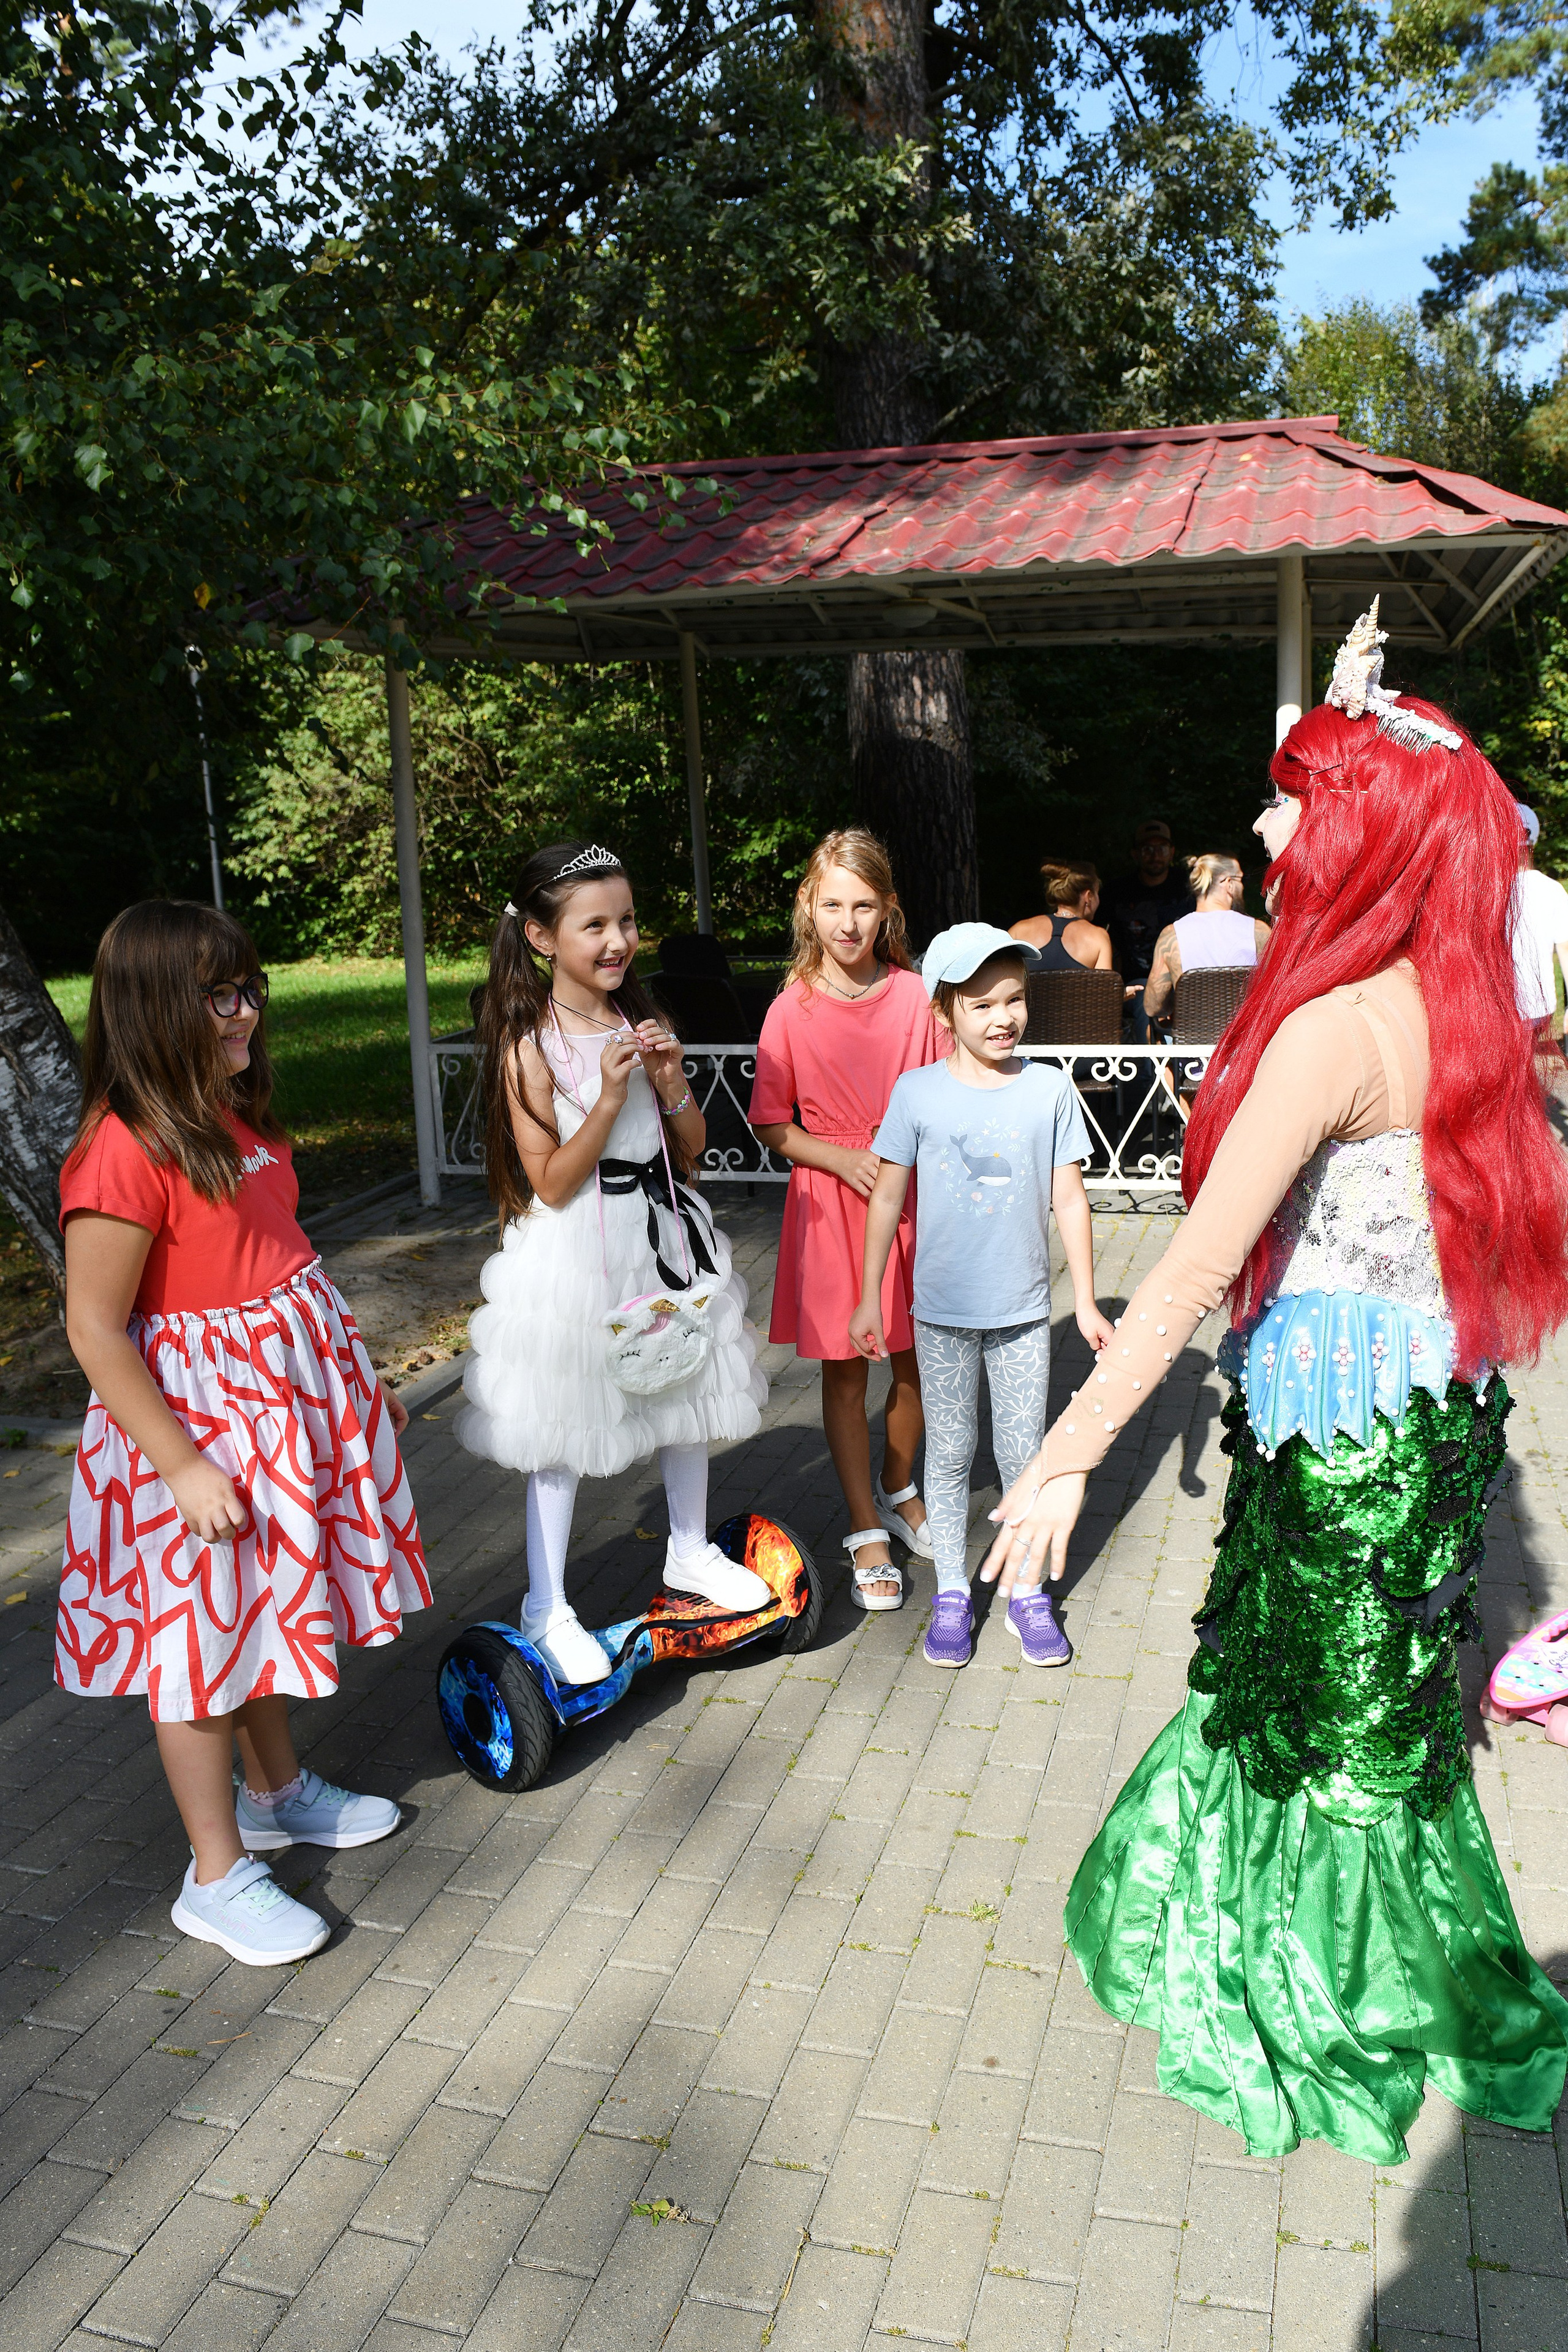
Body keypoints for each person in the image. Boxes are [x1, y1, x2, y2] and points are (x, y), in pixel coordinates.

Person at [981, 605, 1568, 2163]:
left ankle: (1338, 1988)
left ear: (1362, 835)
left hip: (1345, 1446)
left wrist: (1060, 1456)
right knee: (1345, 1706)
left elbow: (1179, 1274)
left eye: (1293, 793)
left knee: (1339, 1724)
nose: (1258, 821)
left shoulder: (1326, 1028)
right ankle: (1314, 1937)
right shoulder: (1464, 1001)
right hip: (1427, 1420)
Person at [57, 902, 428, 1969]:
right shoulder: (122, 1152)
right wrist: (179, 1464)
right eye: (219, 995)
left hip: (284, 1417)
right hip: (198, 1436)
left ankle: (276, 1794)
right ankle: (213, 1875)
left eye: (250, 988)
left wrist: (357, 1384)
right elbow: (94, 1326)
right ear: (152, 1010)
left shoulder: (241, 1120)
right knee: (199, 1655)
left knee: (255, 1620)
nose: (246, 1012)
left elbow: (288, 1260)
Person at [458, 841, 771, 1686]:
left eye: (626, 920)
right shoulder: (529, 1044)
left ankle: (691, 1551)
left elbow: (693, 1153)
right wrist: (602, 1097)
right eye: (593, 924)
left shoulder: (637, 1019)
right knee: (565, 1422)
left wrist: (670, 1083)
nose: (616, 941)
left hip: (659, 1235)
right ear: (540, 937)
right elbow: (552, 1181)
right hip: (578, 1248)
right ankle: (547, 1603)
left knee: (685, 1391)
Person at [850, 925, 1114, 1668]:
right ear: (943, 1011)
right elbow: (886, 1197)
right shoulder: (918, 1093)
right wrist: (869, 1296)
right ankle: (953, 1591)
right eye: (982, 1004)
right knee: (952, 1449)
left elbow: (1070, 1198)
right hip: (937, 1313)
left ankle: (1026, 1592)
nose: (1003, 1017)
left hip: (1025, 1312)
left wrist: (1088, 1303)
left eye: (1015, 999)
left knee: (1023, 1451)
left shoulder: (1048, 1089)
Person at [748, 829, 943, 1611]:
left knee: (917, 1357)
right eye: (833, 904)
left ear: (887, 909)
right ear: (809, 906)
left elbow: (940, 1096)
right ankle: (862, 1522)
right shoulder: (789, 1009)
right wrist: (838, 1158)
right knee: (846, 1365)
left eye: (864, 906)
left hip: (912, 1194)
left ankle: (899, 1486)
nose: (848, 922)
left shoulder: (914, 997)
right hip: (832, 1204)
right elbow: (771, 1123)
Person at [1143, 853, 1271, 1023]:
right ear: (1228, 883)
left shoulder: (1172, 936)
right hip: (1246, 1038)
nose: (1243, 886)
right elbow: (1276, 989)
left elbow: (1153, 1006)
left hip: (1192, 1043)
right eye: (1241, 879)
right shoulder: (1258, 931)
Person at [1098, 820, 1196, 1041]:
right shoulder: (1116, 891)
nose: (1155, 855)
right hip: (1135, 981)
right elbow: (1095, 933)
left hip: (1185, 977)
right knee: (1145, 997)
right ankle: (1149, 1074)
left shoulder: (1189, 887)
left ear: (1171, 852)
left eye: (1161, 848)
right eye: (1147, 849)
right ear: (1135, 854)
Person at [1509, 800, 1568, 1058]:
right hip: (1539, 1006)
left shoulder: (1489, 891)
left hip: (1502, 1003)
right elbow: (1565, 949)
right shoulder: (1553, 889)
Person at [1010, 860, 1115, 968]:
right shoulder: (1098, 937)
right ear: (1088, 896)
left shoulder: (1020, 930)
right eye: (1097, 893)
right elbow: (1104, 984)